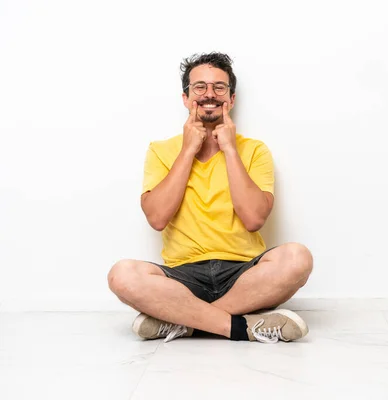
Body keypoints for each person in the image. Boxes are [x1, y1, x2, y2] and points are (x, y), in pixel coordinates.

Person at [107, 52, 313, 344]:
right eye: (199, 87)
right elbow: (156, 218)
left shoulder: (254, 150)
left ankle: (183, 322)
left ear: (231, 99)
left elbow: (254, 219)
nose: (209, 94)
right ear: (185, 97)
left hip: (242, 274)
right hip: (183, 277)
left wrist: (229, 148)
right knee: (122, 275)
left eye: (220, 87)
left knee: (297, 257)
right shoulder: (161, 150)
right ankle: (242, 327)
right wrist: (188, 150)